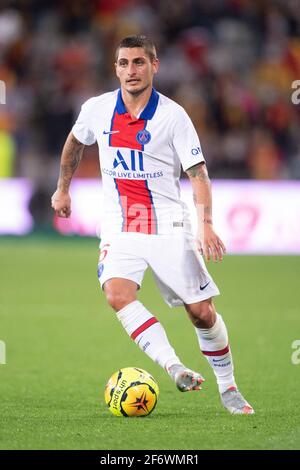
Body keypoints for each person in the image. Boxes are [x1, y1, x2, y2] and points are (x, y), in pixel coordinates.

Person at [51, 35, 254, 415]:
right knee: (117, 294)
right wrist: (62, 189)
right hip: (120, 223)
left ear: (154, 66)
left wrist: (205, 224)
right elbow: (75, 143)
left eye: (139, 62)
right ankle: (173, 365)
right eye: (124, 63)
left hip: (167, 223)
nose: (131, 70)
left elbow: (199, 175)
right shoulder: (96, 109)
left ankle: (228, 388)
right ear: (116, 69)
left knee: (201, 312)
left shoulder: (173, 116)